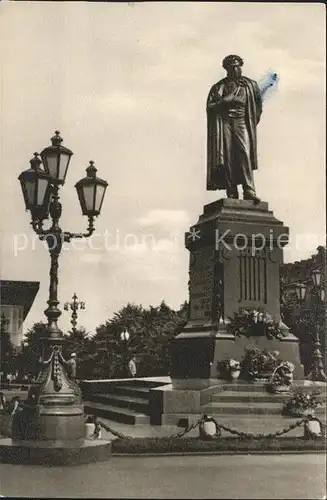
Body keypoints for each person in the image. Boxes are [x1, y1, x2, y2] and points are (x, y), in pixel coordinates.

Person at [206, 54, 262, 203]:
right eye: (232, 67)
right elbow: (210, 107)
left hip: (242, 121)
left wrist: (249, 122)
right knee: (227, 156)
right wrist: (226, 100)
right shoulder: (219, 87)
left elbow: (258, 107)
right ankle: (232, 192)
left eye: (238, 66)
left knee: (244, 153)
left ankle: (249, 190)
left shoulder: (250, 85)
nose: (236, 69)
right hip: (224, 122)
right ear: (227, 69)